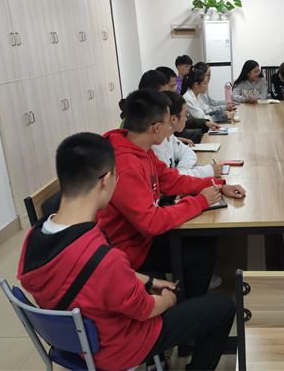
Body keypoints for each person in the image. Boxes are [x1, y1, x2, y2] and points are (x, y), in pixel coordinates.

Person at [17, 132, 236, 370]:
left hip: (74, 342)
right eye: (116, 176)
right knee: (222, 307)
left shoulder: (35, 237)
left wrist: (149, 280)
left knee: (164, 278)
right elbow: (144, 309)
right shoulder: (104, 256)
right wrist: (168, 300)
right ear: (105, 180)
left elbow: (91, 276)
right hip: (118, 347)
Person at [97, 90, 246, 299]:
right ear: (156, 127)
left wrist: (219, 186)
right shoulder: (126, 165)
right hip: (128, 248)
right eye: (168, 124)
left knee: (204, 238)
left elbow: (171, 179)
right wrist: (200, 201)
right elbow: (151, 223)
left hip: (141, 236)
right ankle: (189, 308)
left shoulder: (141, 148)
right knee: (202, 256)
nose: (170, 129)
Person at [153, 91, 222, 179]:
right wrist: (208, 171)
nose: (186, 119)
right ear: (173, 119)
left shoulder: (170, 136)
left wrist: (181, 171)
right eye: (185, 115)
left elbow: (188, 152)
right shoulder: (156, 145)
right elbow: (169, 180)